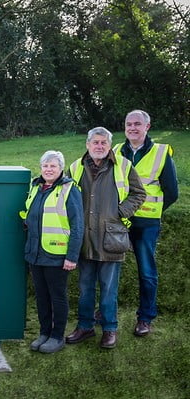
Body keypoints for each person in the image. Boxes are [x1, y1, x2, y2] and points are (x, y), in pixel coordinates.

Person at [65, 127, 146, 349]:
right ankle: (85, 326)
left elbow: (139, 193)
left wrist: (121, 211)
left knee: (109, 290)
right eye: (95, 142)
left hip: (111, 238)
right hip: (84, 239)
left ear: (110, 145)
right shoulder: (75, 167)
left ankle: (110, 329)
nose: (99, 146)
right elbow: (64, 197)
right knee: (85, 288)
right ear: (87, 145)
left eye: (103, 143)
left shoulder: (123, 165)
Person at [112, 110, 178, 337]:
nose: (132, 128)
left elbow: (172, 192)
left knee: (147, 271)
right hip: (119, 221)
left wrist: (155, 211)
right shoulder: (116, 151)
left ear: (147, 127)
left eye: (137, 124)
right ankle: (106, 312)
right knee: (110, 269)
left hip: (146, 222)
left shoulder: (161, 153)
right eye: (128, 124)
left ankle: (145, 318)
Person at [20, 151, 84, 353]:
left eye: (53, 166)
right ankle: (44, 332)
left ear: (61, 168)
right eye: (45, 166)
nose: (48, 169)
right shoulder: (35, 187)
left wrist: (72, 256)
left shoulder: (69, 189)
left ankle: (57, 337)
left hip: (57, 255)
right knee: (41, 296)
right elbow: (30, 213)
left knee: (57, 296)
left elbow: (77, 226)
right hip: (36, 253)